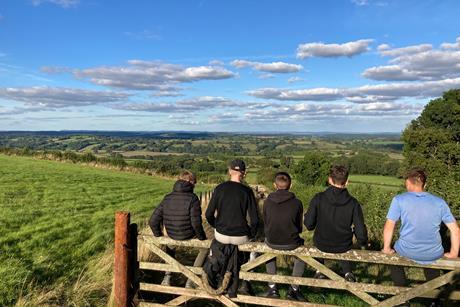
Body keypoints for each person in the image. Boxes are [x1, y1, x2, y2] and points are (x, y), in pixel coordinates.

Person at [382, 167, 459, 306]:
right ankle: (434, 300)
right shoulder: (439, 202)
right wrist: (454, 253)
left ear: (408, 183)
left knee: (392, 260)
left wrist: (386, 248)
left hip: (406, 250)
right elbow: (455, 230)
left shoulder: (399, 199)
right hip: (433, 252)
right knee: (431, 261)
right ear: (425, 184)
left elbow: (389, 226)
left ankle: (402, 298)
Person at [304, 165, 368, 282]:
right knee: (343, 244)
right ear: (347, 182)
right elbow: (360, 231)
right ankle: (348, 273)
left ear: (329, 180)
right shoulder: (353, 203)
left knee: (319, 241)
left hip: (321, 243)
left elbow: (308, 225)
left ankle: (320, 271)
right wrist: (363, 242)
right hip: (343, 244)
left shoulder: (318, 198)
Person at [205, 159, 259, 296]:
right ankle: (245, 281)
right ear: (244, 173)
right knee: (253, 252)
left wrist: (217, 226)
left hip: (221, 234)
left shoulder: (219, 188)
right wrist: (251, 234)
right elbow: (255, 220)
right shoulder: (247, 192)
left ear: (230, 171)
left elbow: (208, 214)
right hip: (241, 236)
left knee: (218, 247)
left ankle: (218, 278)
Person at [149, 170, 207, 288]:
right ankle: (191, 280)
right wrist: (202, 238)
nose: (195, 185)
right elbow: (196, 223)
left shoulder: (167, 197)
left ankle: (167, 276)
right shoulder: (193, 198)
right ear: (189, 182)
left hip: (171, 234)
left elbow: (153, 221)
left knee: (169, 246)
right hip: (188, 235)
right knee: (205, 249)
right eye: (194, 182)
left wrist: (159, 236)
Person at [263, 172, 306, 302]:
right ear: (290, 185)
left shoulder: (267, 202)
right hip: (292, 242)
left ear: (274, 185)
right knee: (303, 255)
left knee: (268, 253)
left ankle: (272, 288)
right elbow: (299, 227)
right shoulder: (297, 203)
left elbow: (265, 222)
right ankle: (293, 289)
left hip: (271, 240)